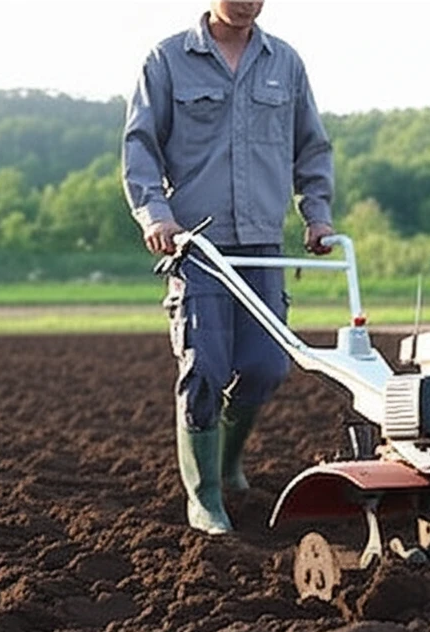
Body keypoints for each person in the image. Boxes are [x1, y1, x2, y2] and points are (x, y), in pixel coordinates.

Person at [122, 0, 334, 535]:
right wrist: (156, 215)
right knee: (206, 371)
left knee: (267, 367)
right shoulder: (167, 60)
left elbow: (311, 147)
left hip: (262, 242)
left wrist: (317, 216)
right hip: (198, 246)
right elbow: (141, 147)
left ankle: (227, 459)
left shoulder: (284, 63)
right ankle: (206, 497)